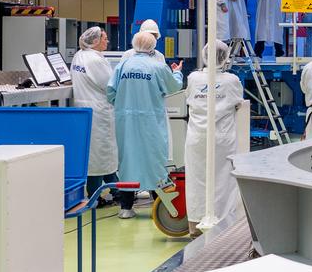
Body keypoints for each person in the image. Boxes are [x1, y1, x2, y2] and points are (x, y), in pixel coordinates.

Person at [107, 30, 184, 218]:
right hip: (151, 120)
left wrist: (124, 105)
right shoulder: (157, 66)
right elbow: (174, 87)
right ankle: (160, 205)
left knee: (127, 160)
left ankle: (126, 208)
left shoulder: (123, 65)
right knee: (155, 159)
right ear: (153, 46)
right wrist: (177, 73)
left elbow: (110, 92)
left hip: (126, 120)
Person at [190, 40, 246, 234]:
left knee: (196, 180)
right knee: (223, 181)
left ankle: (194, 226)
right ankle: (222, 226)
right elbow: (238, 103)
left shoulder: (193, 78)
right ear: (225, 58)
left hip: (197, 137)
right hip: (222, 138)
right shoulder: (231, 80)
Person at [70, 26, 124, 214]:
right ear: (95, 41)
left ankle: (110, 190)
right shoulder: (94, 60)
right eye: (105, 38)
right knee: (103, 154)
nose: (107, 41)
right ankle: (107, 192)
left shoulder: (80, 56)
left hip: (85, 110)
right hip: (99, 111)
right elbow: (110, 85)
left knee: (95, 155)